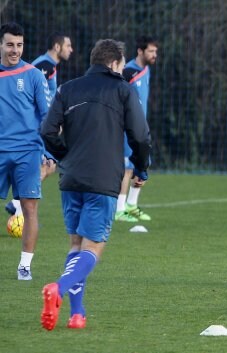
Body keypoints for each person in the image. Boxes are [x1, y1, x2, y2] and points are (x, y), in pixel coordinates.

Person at [40, 39, 151, 330]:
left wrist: (66, 156)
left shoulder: (68, 88)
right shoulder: (123, 90)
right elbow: (140, 136)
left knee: (76, 244)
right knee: (94, 247)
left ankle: (77, 315)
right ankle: (58, 289)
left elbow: (47, 131)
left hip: (71, 178)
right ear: (114, 63)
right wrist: (141, 168)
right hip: (103, 180)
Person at [0, 22, 50, 280]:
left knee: (29, 208)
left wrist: (49, 152)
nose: (15, 50)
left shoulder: (33, 75)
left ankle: (24, 267)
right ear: (1, 45)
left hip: (27, 152)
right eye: (10, 44)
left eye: (19, 45)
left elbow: (47, 117)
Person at [5, 31, 74, 216]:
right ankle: (18, 205)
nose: (71, 50)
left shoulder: (49, 66)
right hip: (35, 129)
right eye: (68, 46)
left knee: (47, 166)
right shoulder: (43, 66)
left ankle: (18, 205)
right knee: (45, 165)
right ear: (57, 47)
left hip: (45, 124)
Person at [116, 35, 158, 222]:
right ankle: (119, 209)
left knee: (142, 165)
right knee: (127, 169)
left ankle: (132, 205)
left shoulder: (146, 69)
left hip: (141, 127)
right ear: (140, 51)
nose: (154, 54)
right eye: (151, 51)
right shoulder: (128, 72)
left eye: (155, 51)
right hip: (127, 128)